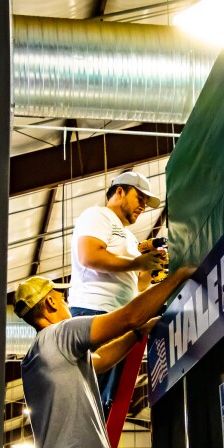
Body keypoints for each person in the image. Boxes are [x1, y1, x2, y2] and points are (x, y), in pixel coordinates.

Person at [15, 265, 195, 448]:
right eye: (62, 298)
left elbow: (101, 359)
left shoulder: (35, 357)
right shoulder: (62, 333)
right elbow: (128, 316)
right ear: (51, 301)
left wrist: (138, 334)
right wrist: (179, 276)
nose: (66, 303)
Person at [70, 170, 166, 417]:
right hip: (95, 313)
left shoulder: (131, 238)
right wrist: (138, 264)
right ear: (120, 191)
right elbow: (89, 255)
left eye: (146, 202)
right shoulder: (98, 215)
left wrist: (150, 266)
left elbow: (137, 285)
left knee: (105, 402)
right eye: (140, 198)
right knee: (93, 398)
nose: (143, 207)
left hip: (118, 317)